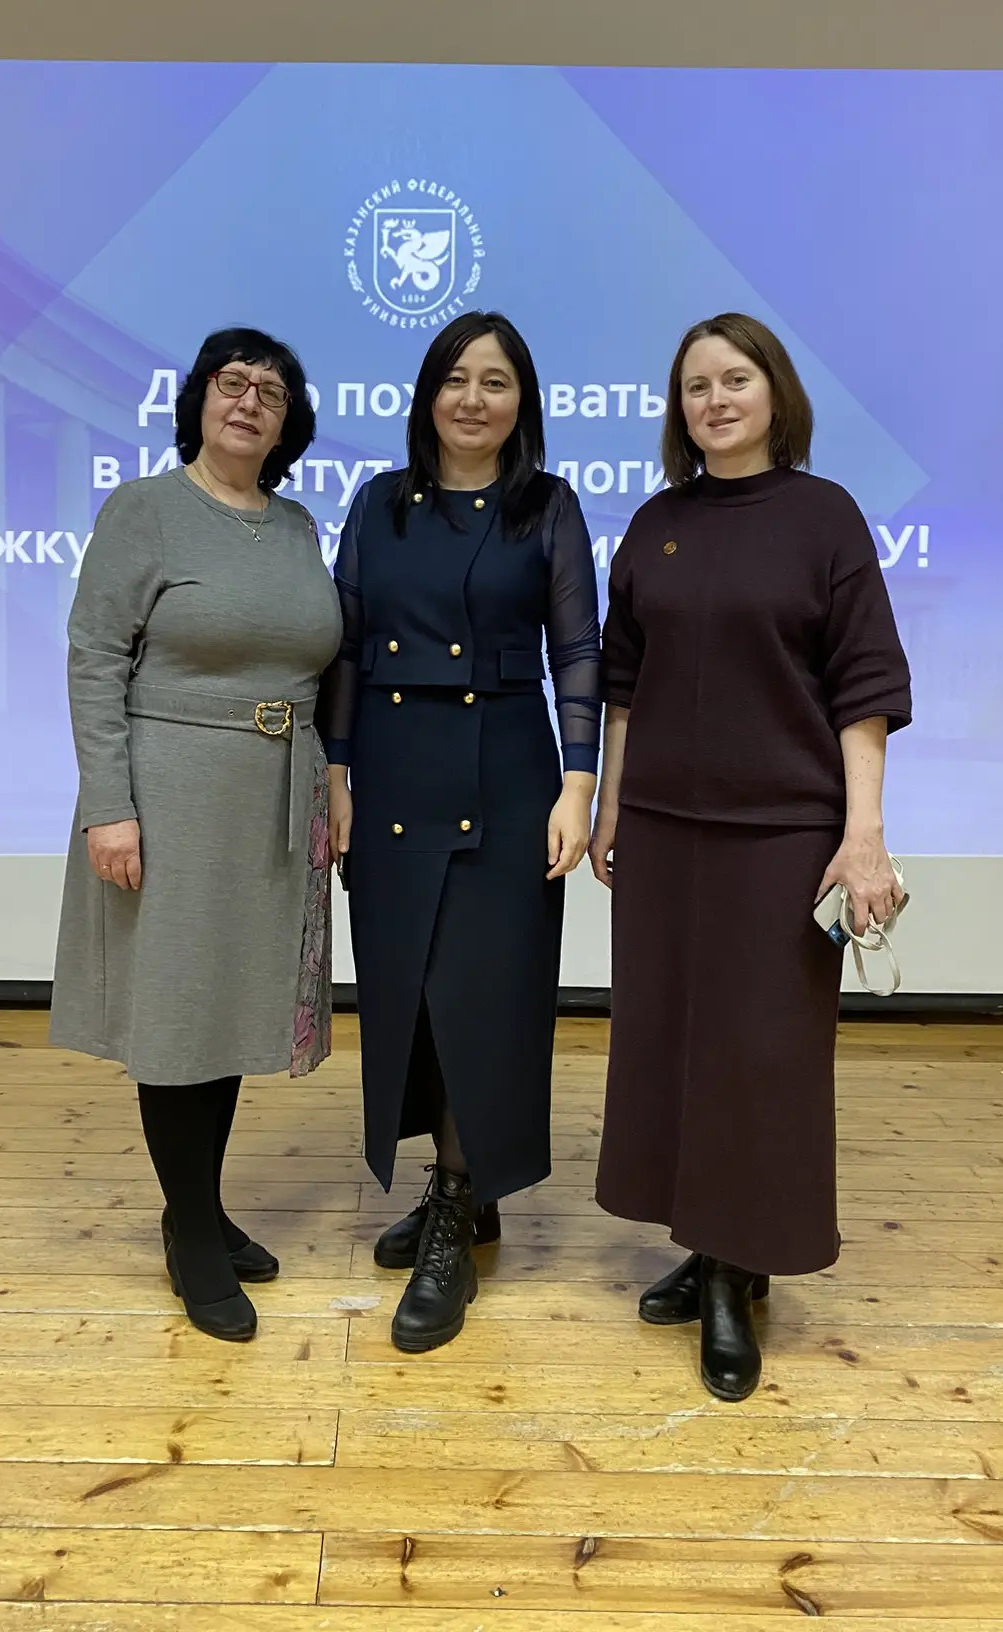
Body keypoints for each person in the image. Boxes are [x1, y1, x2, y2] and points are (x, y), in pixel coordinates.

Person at [591, 313, 911, 1402]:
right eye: (696, 387)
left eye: (735, 379)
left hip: (783, 837)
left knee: (760, 1059)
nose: (715, 401)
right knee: (674, 1048)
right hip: (664, 834)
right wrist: (613, 808)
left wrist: (862, 835)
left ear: (776, 393)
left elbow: (864, 686)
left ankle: (738, 1272)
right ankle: (705, 1240)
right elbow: (623, 686)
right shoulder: (657, 523)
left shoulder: (825, 517)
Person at [50, 327, 342, 1343]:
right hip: (169, 798)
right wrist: (109, 805)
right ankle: (191, 1234)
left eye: (271, 391)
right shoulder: (146, 509)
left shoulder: (298, 526)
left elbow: (317, 669)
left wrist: (330, 783)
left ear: (289, 422)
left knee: (225, 1012)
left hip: (273, 803)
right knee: (177, 1016)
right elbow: (94, 657)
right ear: (199, 402)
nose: (249, 400)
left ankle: (201, 1211)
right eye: (232, 382)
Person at [322, 311, 601, 1353]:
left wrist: (579, 786)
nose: (473, 399)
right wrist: (336, 772)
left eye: (495, 381)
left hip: (509, 777)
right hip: (393, 774)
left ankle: (457, 1201)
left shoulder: (548, 507)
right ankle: (461, 1192)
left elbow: (578, 651)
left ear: (522, 402)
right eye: (455, 379)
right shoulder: (379, 504)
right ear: (426, 395)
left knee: (485, 997)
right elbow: (346, 649)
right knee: (413, 996)